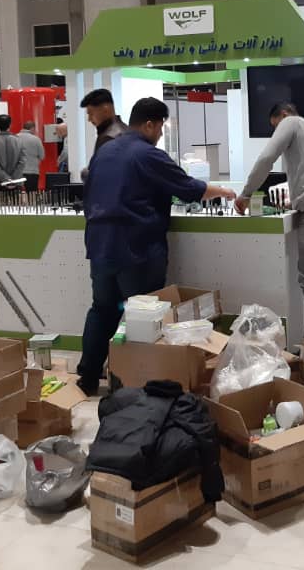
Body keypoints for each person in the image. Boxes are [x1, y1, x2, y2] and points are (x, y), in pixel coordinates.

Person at [77, 97, 235, 395]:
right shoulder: (148, 154)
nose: (161, 133)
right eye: (161, 127)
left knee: (102, 310)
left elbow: (89, 195)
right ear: (149, 124)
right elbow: (188, 189)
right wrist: (225, 192)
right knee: (143, 316)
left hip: (100, 246)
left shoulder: (104, 151)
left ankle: (88, 377)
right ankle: (142, 382)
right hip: (136, 249)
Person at [235, 102, 304, 338]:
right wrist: (296, 200)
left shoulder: (291, 123)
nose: (277, 131)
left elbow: (267, 158)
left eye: (275, 126)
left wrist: (246, 193)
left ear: (284, 115)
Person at [81, 88, 128, 157]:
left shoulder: (109, 138)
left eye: (91, 113)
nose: (89, 119)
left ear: (106, 110)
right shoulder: (125, 129)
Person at [0, 113, 26, 189]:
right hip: (17, 182)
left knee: (0, 197)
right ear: (10, 125)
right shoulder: (19, 140)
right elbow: (22, 161)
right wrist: (13, 179)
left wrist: (6, 179)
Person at [17, 120, 46, 192]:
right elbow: (42, 156)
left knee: (17, 194)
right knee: (31, 194)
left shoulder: (15, 138)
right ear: (32, 128)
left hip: (17, 172)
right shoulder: (36, 139)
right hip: (32, 172)